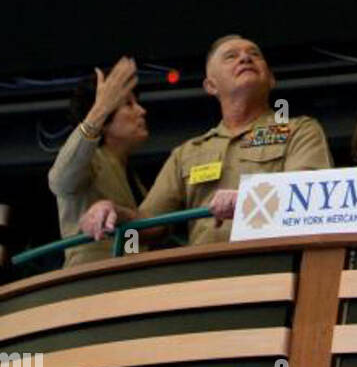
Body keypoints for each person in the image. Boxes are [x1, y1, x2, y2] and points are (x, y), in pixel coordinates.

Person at [80, 35, 331, 249]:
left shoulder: (300, 131)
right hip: (205, 278)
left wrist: (248, 198)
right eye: (231, 56)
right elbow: (148, 225)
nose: (245, 58)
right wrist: (112, 210)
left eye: (254, 54)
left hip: (274, 266)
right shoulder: (187, 153)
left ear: (271, 79)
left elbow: (309, 198)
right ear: (210, 86)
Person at [48, 56, 148, 266]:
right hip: (92, 286)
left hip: (130, 282)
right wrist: (100, 109)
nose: (141, 111)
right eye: (129, 105)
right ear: (104, 124)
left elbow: (133, 240)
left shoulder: (129, 174)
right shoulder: (90, 162)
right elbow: (60, 181)